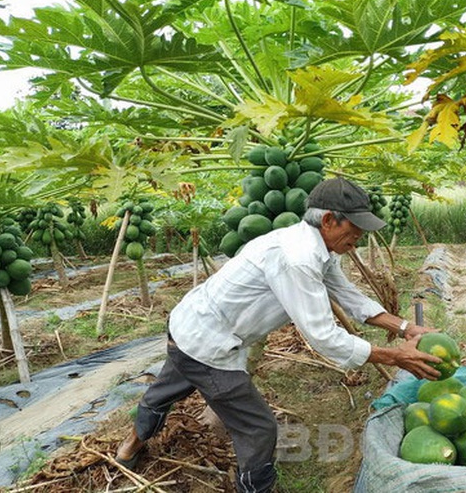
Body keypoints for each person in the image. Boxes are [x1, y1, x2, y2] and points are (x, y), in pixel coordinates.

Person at [115, 177, 442, 493]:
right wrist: (397, 355)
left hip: (188, 325)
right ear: (329, 220)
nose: (359, 235)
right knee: (259, 429)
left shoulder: (315, 247)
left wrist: (405, 328)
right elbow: (323, 336)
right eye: (355, 227)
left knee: (163, 393)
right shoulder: (297, 258)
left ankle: (129, 448)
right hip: (208, 345)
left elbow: (350, 297)